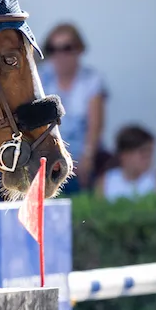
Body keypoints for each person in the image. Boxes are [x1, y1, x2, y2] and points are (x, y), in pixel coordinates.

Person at [38, 23, 108, 192]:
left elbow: (95, 125)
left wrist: (87, 156)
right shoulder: (41, 77)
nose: (60, 55)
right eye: (53, 49)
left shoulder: (91, 80)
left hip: (82, 159)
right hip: (47, 158)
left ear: (79, 49)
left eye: (66, 48)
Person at [94, 125, 156, 200]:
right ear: (125, 155)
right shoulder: (105, 183)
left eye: (150, 152)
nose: (148, 158)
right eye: (142, 152)